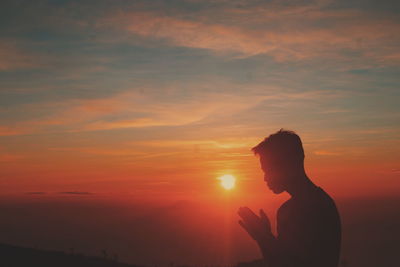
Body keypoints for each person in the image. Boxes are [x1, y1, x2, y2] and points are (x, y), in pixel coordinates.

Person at [238, 129, 341, 267]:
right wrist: (264, 237)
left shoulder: (311, 208)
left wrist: (264, 237)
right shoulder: (320, 203)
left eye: (269, 170)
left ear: (289, 163)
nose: (265, 178)